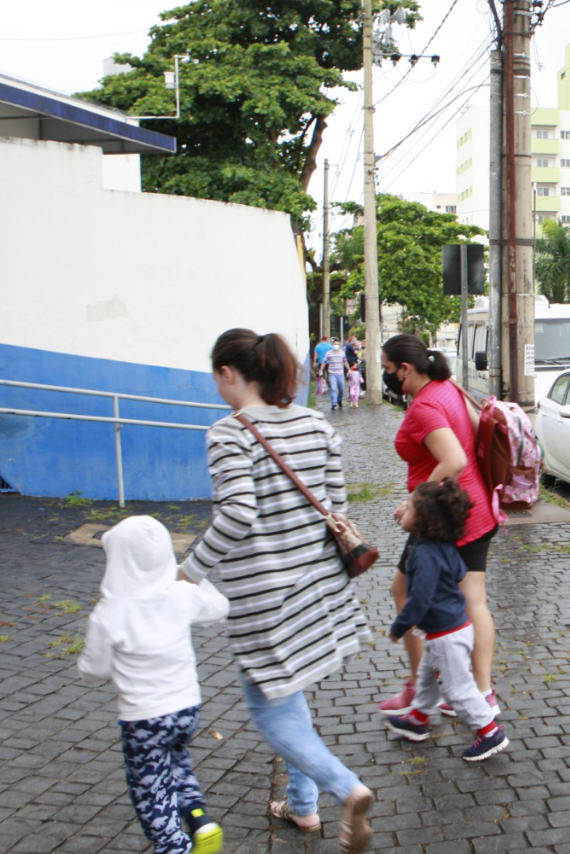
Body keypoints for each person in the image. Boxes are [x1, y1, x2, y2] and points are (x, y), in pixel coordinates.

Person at [180, 329, 374, 854]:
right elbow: (338, 505)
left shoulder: (229, 433)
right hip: (318, 588)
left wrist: (189, 571)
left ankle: (345, 788)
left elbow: (238, 512)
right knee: (289, 694)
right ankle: (303, 806)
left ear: (228, 373)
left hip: (266, 595)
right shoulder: (315, 422)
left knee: (269, 708)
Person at [79, 516, 230, 854]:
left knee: (150, 792)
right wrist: (189, 578)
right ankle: (199, 819)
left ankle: (174, 846)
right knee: (177, 761)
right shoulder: (179, 594)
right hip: (187, 712)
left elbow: (93, 669)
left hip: (144, 721)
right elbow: (220, 607)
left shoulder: (111, 611)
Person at [377, 334, 500, 719]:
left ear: (404, 369)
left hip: (443, 518)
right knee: (470, 600)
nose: (384, 376)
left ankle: (423, 690)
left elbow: (454, 459)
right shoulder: (447, 387)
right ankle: (478, 691)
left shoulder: (425, 407)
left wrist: (414, 501)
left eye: (385, 369)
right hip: (474, 508)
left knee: (408, 589)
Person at [383, 480, 511, 761]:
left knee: (458, 690)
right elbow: (457, 572)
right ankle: (417, 719)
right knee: (428, 679)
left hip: (445, 635)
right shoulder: (440, 544)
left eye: (409, 507)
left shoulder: (424, 554)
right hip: (454, 628)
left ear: (423, 520)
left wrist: (400, 626)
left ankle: (490, 733)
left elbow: (420, 599)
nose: (402, 510)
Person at [323, 336, 348, 411]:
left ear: (339, 345)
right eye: (335, 344)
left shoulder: (342, 353)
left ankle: (339, 400)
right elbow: (324, 362)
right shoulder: (329, 353)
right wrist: (321, 370)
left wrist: (349, 369)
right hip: (332, 373)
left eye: (337, 344)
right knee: (333, 389)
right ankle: (334, 403)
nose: (336, 345)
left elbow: (345, 361)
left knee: (341, 389)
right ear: (332, 345)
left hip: (340, 374)